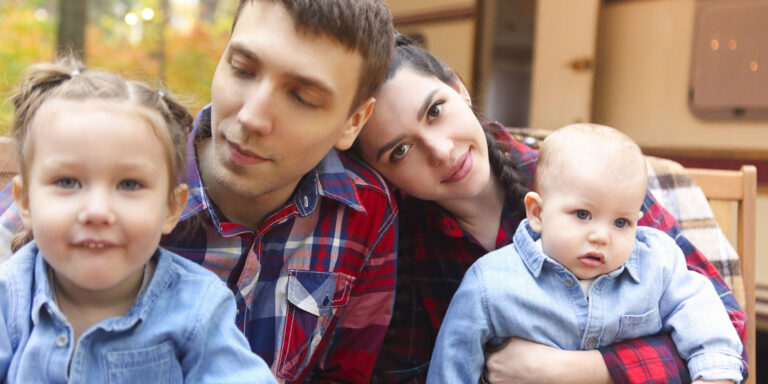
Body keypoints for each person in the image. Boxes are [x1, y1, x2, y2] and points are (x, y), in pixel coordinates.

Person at [0, 0, 397, 382]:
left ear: (354, 121)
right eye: (242, 69)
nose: (252, 116)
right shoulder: (70, 199)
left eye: (301, 97)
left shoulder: (367, 211)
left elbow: (345, 373)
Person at [353, 35, 747, 383]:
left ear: (459, 90)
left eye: (435, 111)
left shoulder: (589, 176)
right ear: (382, 175)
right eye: (400, 151)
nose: (440, 151)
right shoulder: (402, 242)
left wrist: (579, 369)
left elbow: (727, 331)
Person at [0, 58, 276, 383]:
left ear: (172, 208)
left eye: (129, 184)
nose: (98, 211)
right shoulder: (11, 296)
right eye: (68, 182)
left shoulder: (196, 307)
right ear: (26, 202)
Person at [426, 123, 743, 384]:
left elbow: (708, 322)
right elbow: (452, 367)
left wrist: (715, 376)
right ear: (537, 213)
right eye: (582, 214)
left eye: (621, 222)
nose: (601, 236)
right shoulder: (490, 283)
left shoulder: (657, 263)